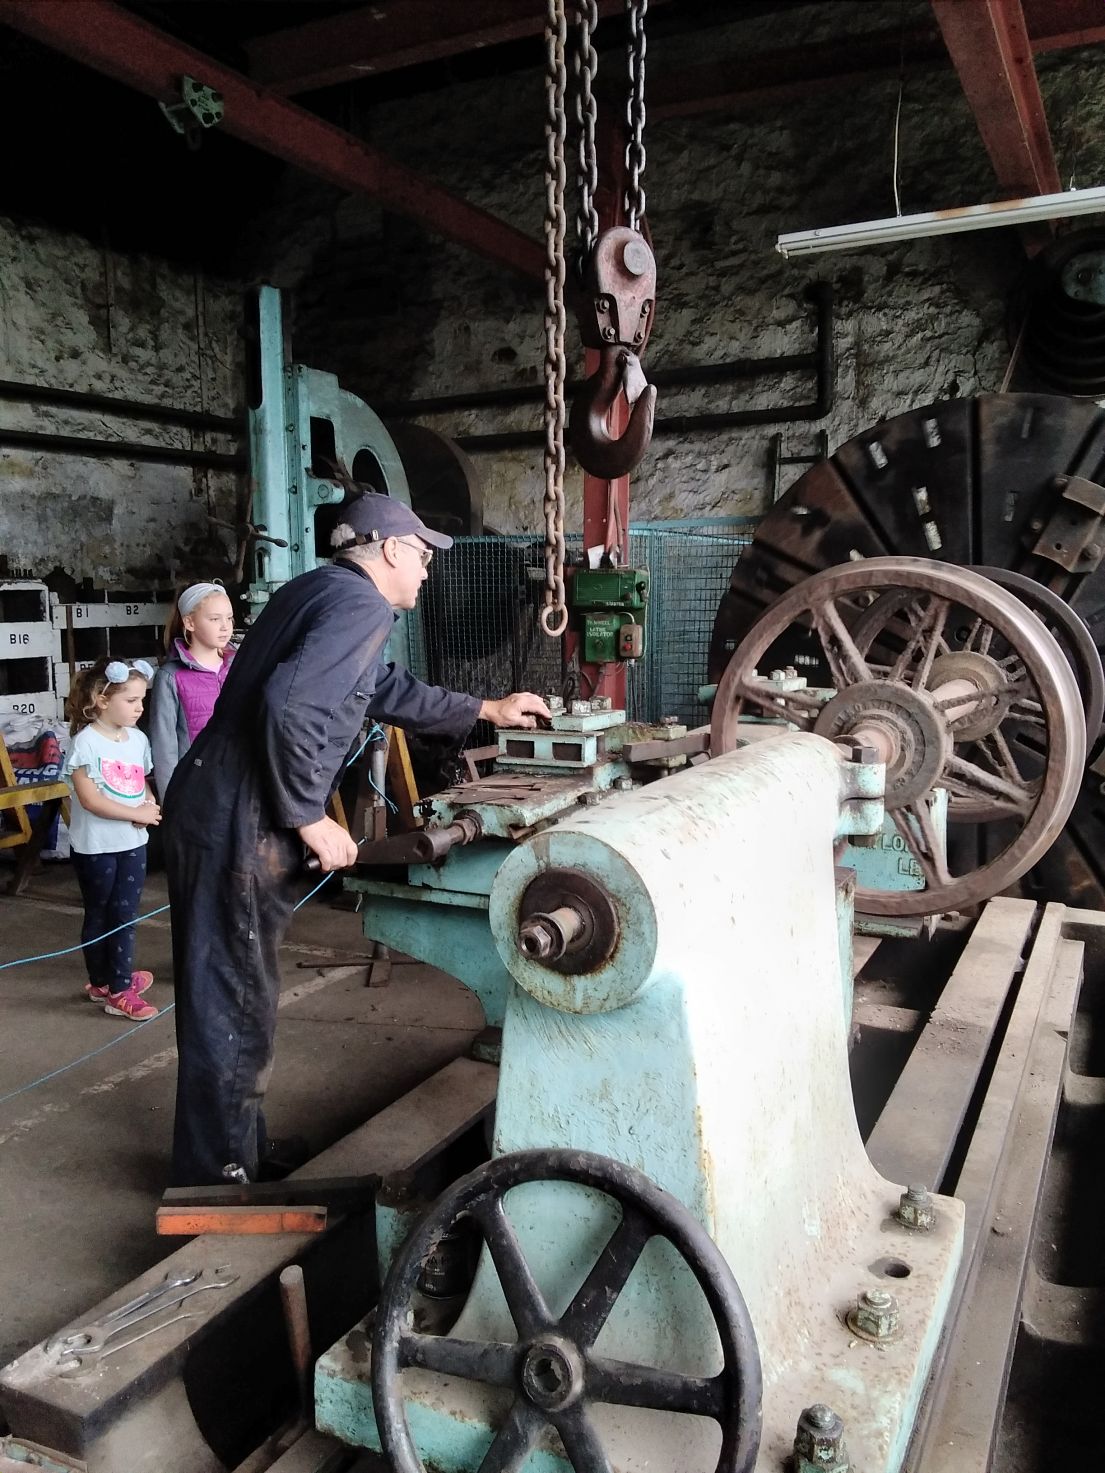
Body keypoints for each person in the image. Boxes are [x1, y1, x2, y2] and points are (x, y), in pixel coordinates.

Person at [164, 493, 551, 1186]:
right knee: (232, 992)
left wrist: (485, 708)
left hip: (219, 799)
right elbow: (292, 706)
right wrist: (309, 813)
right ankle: (216, 1174)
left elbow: (380, 687)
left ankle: (236, 1148)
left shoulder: (318, 589)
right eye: (424, 556)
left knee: (235, 984)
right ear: (392, 548)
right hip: (237, 816)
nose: (427, 572)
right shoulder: (360, 604)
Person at [63, 657, 162, 1021]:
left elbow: (141, 781)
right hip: (96, 848)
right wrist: (137, 814)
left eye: (141, 700)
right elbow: (90, 801)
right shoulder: (85, 744)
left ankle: (109, 980)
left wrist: (148, 801)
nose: (139, 708)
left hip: (132, 845)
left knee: (123, 913)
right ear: (103, 700)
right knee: (104, 913)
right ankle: (117, 990)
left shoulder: (137, 739)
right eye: (131, 700)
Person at [149, 581, 236, 798]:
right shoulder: (170, 677)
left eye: (229, 618)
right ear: (189, 622)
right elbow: (164, 747)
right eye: (215, 619)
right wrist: (171, 801)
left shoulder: (241, 666)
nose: (225, 626)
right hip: (197, 787)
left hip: (240, 781)